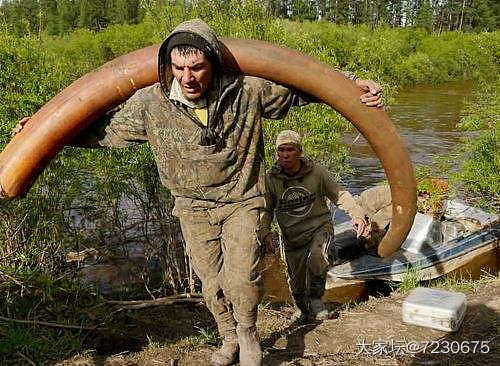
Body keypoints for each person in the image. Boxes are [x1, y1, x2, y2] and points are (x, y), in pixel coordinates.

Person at [13, 19, 382, 366]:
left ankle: (249, 333)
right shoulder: (150, 104)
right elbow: (101, 130)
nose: (187, 78)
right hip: (191, 206)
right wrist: (44, 131)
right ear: (168, 66)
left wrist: (353, 84)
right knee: (212, 284)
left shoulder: (247, 90)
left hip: (242, 200)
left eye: (197, 67)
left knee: (242, 279)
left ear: (213, 63)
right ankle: (228, 336)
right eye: (178, 68)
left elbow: (304, 87)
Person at [258, 130, 369, 323]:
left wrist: (357, 214)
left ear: (299, 151)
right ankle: (301, 308)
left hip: (319, 227)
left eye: (290, 150)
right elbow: (266, 210)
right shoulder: (271, 179)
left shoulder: (317, 172)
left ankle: (317, 301)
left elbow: (339, 195)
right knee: (296, 279)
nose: (285, 155)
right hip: (292, 236)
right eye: (281, 150)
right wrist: (264, 231)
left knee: (318, 257)